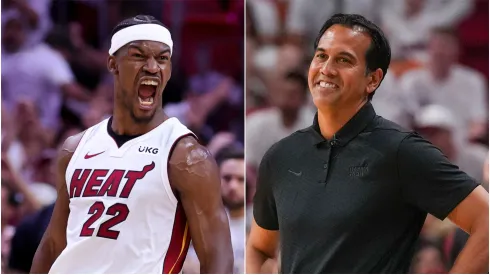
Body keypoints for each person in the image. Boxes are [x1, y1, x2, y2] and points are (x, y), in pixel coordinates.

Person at [246, 13, 488, 274]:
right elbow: (261, 249)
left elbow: (485, 219)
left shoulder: (400, 151)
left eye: (344, 60)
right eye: (321, 55)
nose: (326, 68)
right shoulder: (281, 155)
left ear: (372, 79)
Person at [30, 15, 234, 274]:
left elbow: (217, 255)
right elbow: (53, 243)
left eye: (162, 59)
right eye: (139, 56)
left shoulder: (186, 156)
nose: (152, 67)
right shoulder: (75, 148)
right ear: (113, 64)